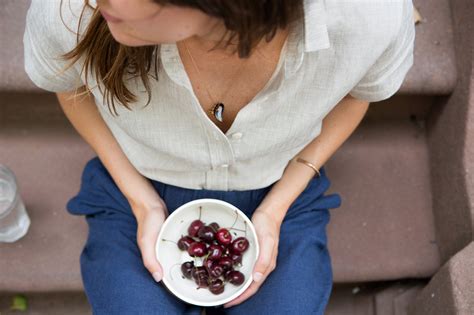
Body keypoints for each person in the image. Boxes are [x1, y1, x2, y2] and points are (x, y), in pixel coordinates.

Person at [23, 0, 415, 314]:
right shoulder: (72, 10)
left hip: (281, 185)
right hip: (136, 184)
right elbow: (70, 85)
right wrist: (140, 200)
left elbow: (356, 95)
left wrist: (277, 206)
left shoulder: (369, 15)